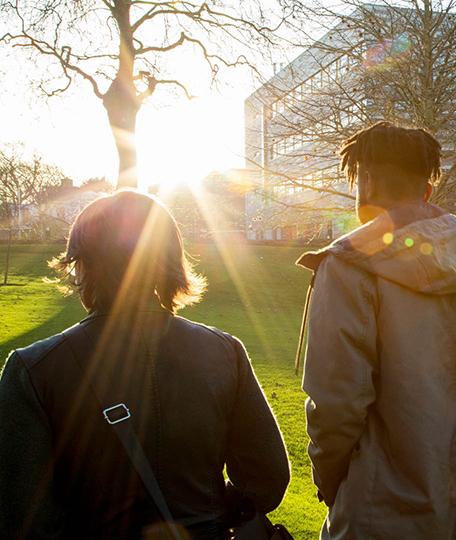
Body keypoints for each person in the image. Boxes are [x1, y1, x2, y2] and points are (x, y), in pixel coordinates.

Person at [297, 121, 456, 539]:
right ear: (427, 190)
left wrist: (333, 484)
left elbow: (336, 404)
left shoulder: (347, 267)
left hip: (386, 514)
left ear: (362, 182)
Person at [0, 191, 290, 539]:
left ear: (82, 263)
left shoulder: (33, 368)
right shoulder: (224, 352)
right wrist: (207, 513)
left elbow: (20, 514)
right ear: (170, 261)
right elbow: (267, 478)